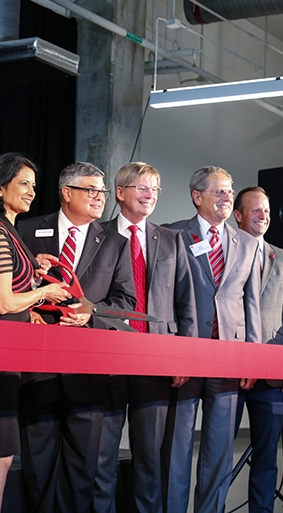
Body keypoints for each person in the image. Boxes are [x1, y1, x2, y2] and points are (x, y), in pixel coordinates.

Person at [17, 161, 136, 513]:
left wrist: (91, 313)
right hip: (37, 368)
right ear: (66, 192)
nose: (100, 197)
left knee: (82, 470)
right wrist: (33, 298)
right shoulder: (26, 229)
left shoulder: (115, 242)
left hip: (87, 370)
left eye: (102, 191)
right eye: (92, 190)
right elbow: (8, 287)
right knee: (36, 468)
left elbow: (125, 302)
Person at [0, 152, 70, 513]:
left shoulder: (8, 228)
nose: (31, 191)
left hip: (7, 356)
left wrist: (35, 271)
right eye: (23, 183)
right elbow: (3, 300)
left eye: (34, 185)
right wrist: (45, 292)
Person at [92, 162, 197, 513]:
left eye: (155, 188)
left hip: (155, 361)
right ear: (120, 192)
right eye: (141, 187)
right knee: (101, 455)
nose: (149, 194)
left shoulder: (171, 239)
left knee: (149, 457)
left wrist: (184, 357)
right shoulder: (97, 235)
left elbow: (186, 303)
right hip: (107, 358)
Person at [162, 166, 262, 513]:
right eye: (218, 191)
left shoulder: (247, 243)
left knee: (219, 449)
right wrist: (171, 354)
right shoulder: (172, 234)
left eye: (229, 191)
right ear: (197, 197)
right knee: (177, 447)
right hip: (186, 357)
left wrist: (252, 358)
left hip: (229, 359)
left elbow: (252, 303)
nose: (226, 197)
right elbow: (165, 299)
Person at [232, 186, 283, 513]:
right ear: (238, 216)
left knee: (266, 456)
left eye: (267, 210)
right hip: (229, 371)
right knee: (218, 455)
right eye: (255, 211)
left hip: (273, 375)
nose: (263, 216)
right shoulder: (223, 252)